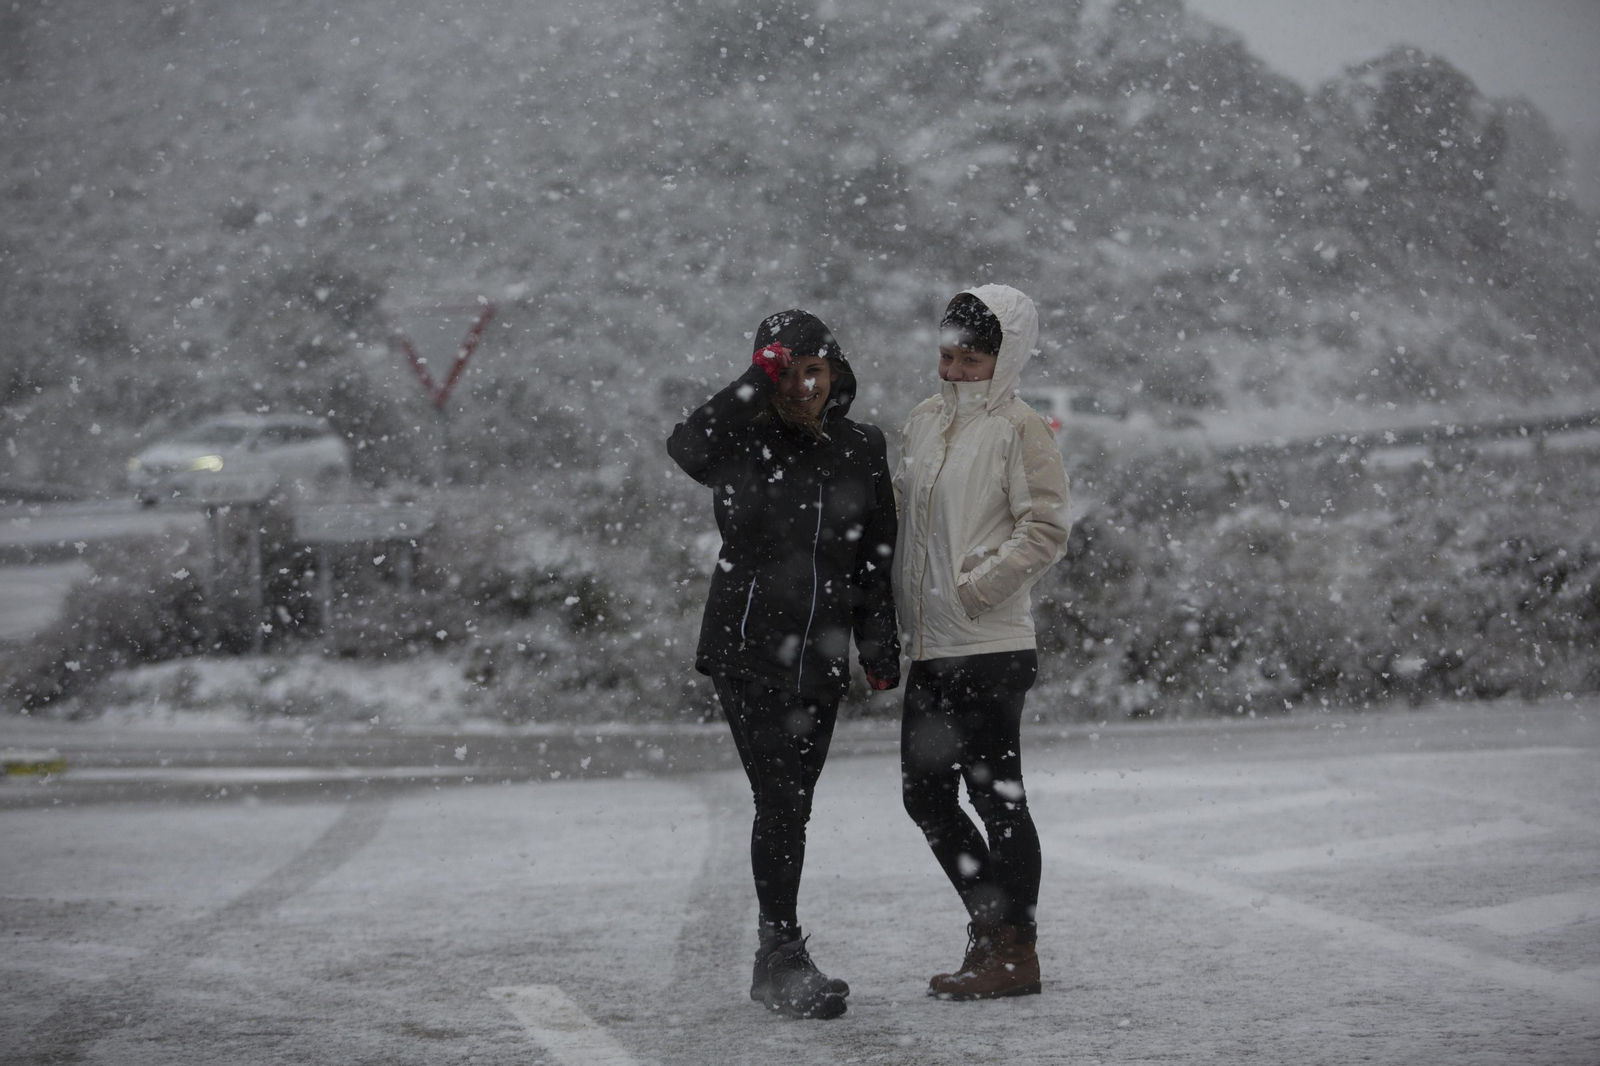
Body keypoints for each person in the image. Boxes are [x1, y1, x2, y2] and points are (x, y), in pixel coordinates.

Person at [667, 309, 901, 1020]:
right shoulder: (740, 438)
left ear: (835, 372)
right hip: (746, 647)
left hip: (821, 654)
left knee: (793, 803)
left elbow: (875, 550)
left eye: (812, 370)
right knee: (782, 798)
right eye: (785, 371)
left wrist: (877, 641)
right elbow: (685, 445)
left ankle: (777, 957)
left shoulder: (862, 446)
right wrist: (757, 376)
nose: (801, 385)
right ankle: (781, 953)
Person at [893, 284, 1071, 1000]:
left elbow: (1046, 529)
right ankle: (992, 927)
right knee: (924, 795)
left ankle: (1015, 953)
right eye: (946, 355)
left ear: (1004, 358)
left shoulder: (1021, 429)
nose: (953, 370)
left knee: (996, 798)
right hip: (931, 646)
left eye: (969, 359)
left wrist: (974, 587)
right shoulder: (921, 424)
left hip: (990, 643)